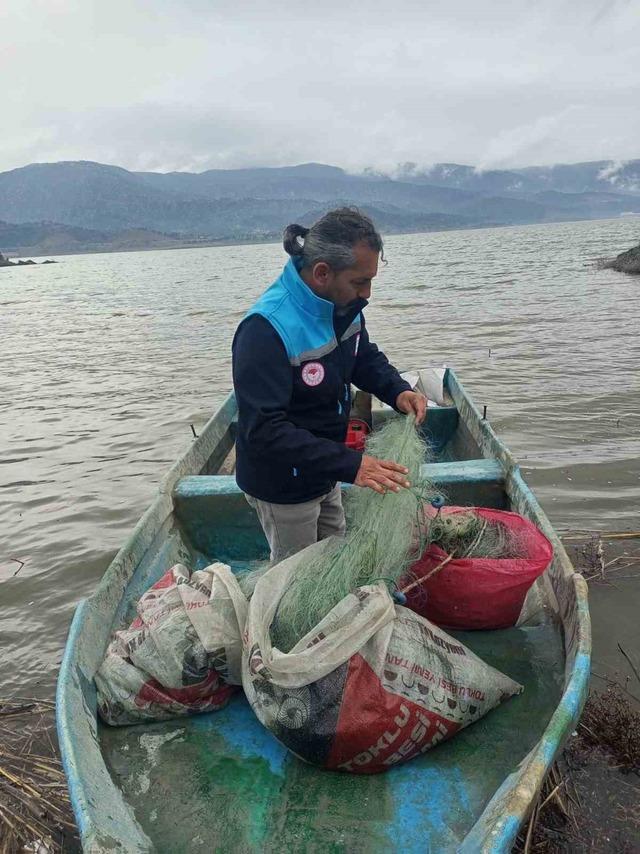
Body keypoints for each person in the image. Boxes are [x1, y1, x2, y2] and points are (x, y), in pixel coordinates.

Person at [232, 207, 427, 564]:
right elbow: (264, 431)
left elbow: (363, 357)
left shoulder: (343, 306)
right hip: (282, 486)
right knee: (296, 575)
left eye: (370, 281)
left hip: (326, 470)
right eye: (359, 282)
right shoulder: (265, 329)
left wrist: (398, 390)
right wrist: (354, 465)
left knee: (335, 554)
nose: (367, 293)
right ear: (322, 272)